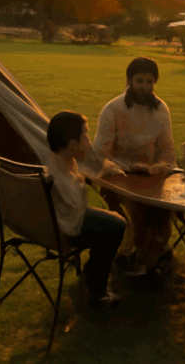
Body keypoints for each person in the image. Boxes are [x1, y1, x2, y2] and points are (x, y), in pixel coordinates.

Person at [93, 57, 176, 275]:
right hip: (118, 176)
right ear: (129, 81)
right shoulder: (113, 109)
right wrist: (123, 168)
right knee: (138, 209)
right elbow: (100, 153)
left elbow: (168, 150)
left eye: (149, 82)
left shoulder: (161, 109)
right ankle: (133, 257)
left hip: (150, 176)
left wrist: (162, 166)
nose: (145, 87)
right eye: (140, 81)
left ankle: (151, 257)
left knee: (164, 208)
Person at [45, 110, 127, 307]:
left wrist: (95, 176)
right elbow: (78, 206)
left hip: (59, 222)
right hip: (69, 227)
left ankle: (91, 273)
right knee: (116, 224)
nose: (88, 141)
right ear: (73, 145)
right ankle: (98, 291)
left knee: (110, 220)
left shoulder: (58, 162)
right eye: (85, 136)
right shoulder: (60, 178)